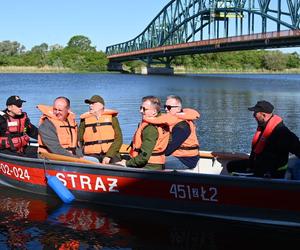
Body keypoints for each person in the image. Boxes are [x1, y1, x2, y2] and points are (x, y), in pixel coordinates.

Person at [227, 100, 300, 179]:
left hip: (270, 173)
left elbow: (298, 149)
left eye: (255, 113)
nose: (253, 115)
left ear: (264, 115)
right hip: (258, 165)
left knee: (233, 172)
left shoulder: (282, 132)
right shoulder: (263, 128)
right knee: (230, 165)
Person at [116, 96, 170, 170]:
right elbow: (169, 141)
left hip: (149, 166)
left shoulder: (150, 128)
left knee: (116, 164)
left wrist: (126, 163)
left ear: (154, 111)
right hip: (158, 163)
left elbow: (143, 158)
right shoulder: (163, 123)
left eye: (144, 109)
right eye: (140, 108)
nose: (141, 111)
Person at [78, 95, 123, 164]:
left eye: (93, 103)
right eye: (89, 104)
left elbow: (119, 139)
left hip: (110, 153)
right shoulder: (84, 120)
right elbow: (79, 140)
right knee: (91, 162)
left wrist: (109, 155)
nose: (90, 106)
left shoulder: (113, 119)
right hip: (91, 155)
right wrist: (79, 154)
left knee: (116, 165)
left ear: (101, 106)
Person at [164, 95, 200, 170]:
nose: (166, 109)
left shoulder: (182, 127)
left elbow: (168, 150)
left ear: (178, 108)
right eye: (165, 106)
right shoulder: (173, 121)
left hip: (185, 160)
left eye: (169, 107)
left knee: (152, 162)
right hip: (178, 156)